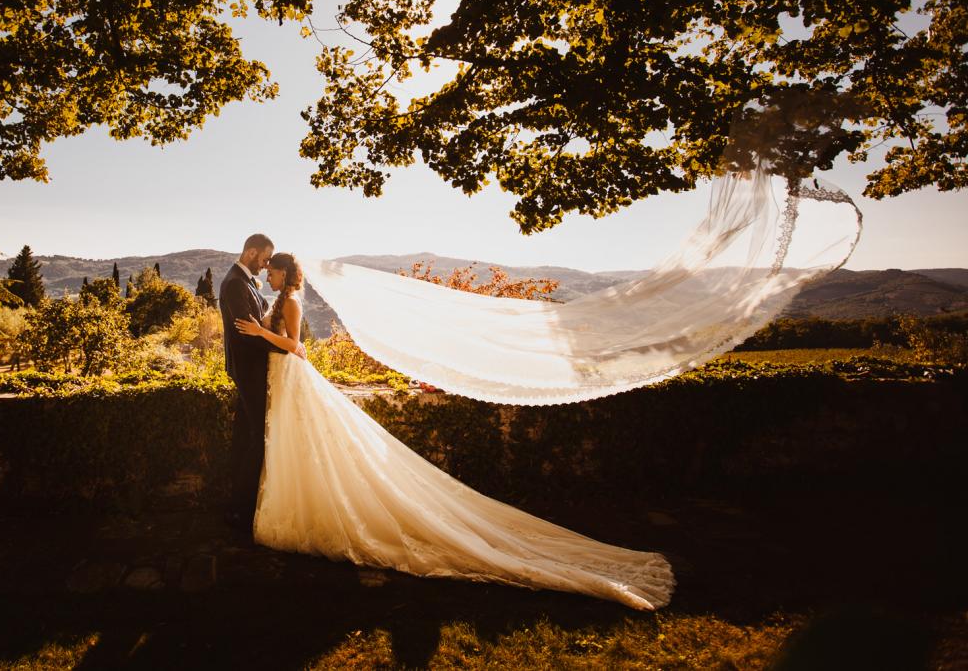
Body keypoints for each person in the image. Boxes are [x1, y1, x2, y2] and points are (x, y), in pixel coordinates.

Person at [233, 253, 674, 611]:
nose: (267, 273)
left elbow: (297, 346)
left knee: (308, 446)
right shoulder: (280, 300)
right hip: (285, 382)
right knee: (299, 449)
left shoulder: (289, 302)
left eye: (272, 269)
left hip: (293, 378)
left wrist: (257, 332)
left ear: (285, 272)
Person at [217, 233, 275, 530]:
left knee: (244, 436)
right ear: (251, 252)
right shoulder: (235, 284)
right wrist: (284, 349)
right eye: (264, 259)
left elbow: (259, 321)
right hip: (248, 368)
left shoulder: (244, 281)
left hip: (251, 368)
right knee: (256, 438)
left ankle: (237, 504)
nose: (266, 266)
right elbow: (245, 331)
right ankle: (243, 508)